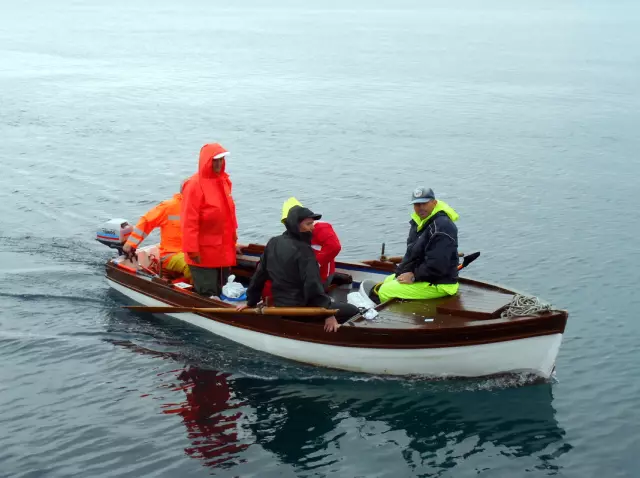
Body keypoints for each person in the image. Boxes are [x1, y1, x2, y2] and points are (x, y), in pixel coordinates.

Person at [238, 205, 359, 332]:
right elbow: (312, 285)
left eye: (312, 223)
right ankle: (320, 331)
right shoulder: (304, 251)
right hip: (300, 310)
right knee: (353, 310)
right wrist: (328, 314)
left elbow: (259, 275)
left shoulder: (273, 242)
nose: (312, 228)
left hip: (279, 305)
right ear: (295, 226)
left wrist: (250, 302)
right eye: (308, 224)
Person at [373, 187, 460, 303]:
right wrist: (401, 272)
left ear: (434, 203)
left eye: (424, 203)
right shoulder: (420, 222)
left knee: (385, 291)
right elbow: (411, 255)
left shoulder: (442, 227)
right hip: (426, 276)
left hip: (441, 283)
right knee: (388, 280)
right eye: (417, 204)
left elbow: (438, 265)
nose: (421, 208)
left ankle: (405, 313)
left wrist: (414, 276)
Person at [181, 142, 242, 297]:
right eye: (215, 160)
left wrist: (233, 240)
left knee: (224, 289)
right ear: (206, 161)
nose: (219, 164)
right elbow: (189, 222)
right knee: (208, 293)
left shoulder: (224, 181)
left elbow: (229, 216)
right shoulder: (194, 185)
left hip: (223, 250)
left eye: (221, 160)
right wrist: (192, 250)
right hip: (203, 254)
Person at [122, 180, 191, 279]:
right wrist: (130, 244)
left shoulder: (202, 208)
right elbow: (147, 222)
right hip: (171, 253)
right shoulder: (168, 207)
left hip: (194, 253)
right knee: (193, 266)